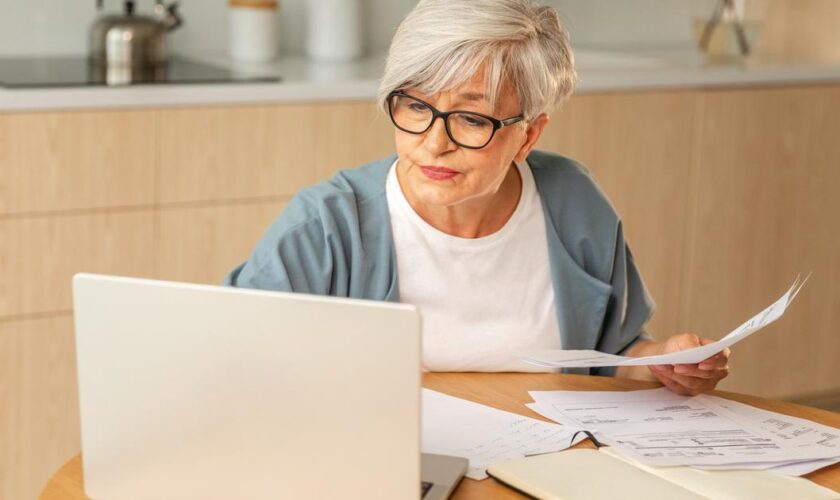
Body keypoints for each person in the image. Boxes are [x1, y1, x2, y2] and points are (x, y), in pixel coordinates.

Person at [225, 0, 729, 395]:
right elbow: (233, 357)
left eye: (472, 119)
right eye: (416, 105)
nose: (434, 142)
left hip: (546, 458)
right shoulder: (326, 226)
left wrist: (662, 362)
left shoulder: (574, 204)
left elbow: (612, 357)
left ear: (528, 137)